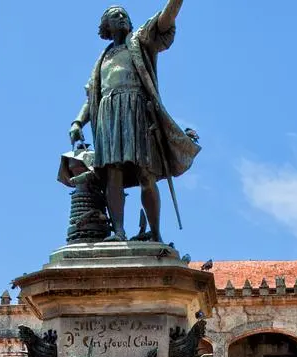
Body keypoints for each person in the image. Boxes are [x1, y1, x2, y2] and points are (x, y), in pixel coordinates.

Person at [69, 2, 199, 243]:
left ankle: (156, 233)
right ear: (106, 26)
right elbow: (92, 96)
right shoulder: (103, 59)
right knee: (113, 173)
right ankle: (118, 232)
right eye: (114, 15)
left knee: (146, 174)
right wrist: (78, 122)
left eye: (124, 15)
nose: (121, 18)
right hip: (108, 113)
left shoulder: (139, 42)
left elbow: (163, 21)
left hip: (136, 110)